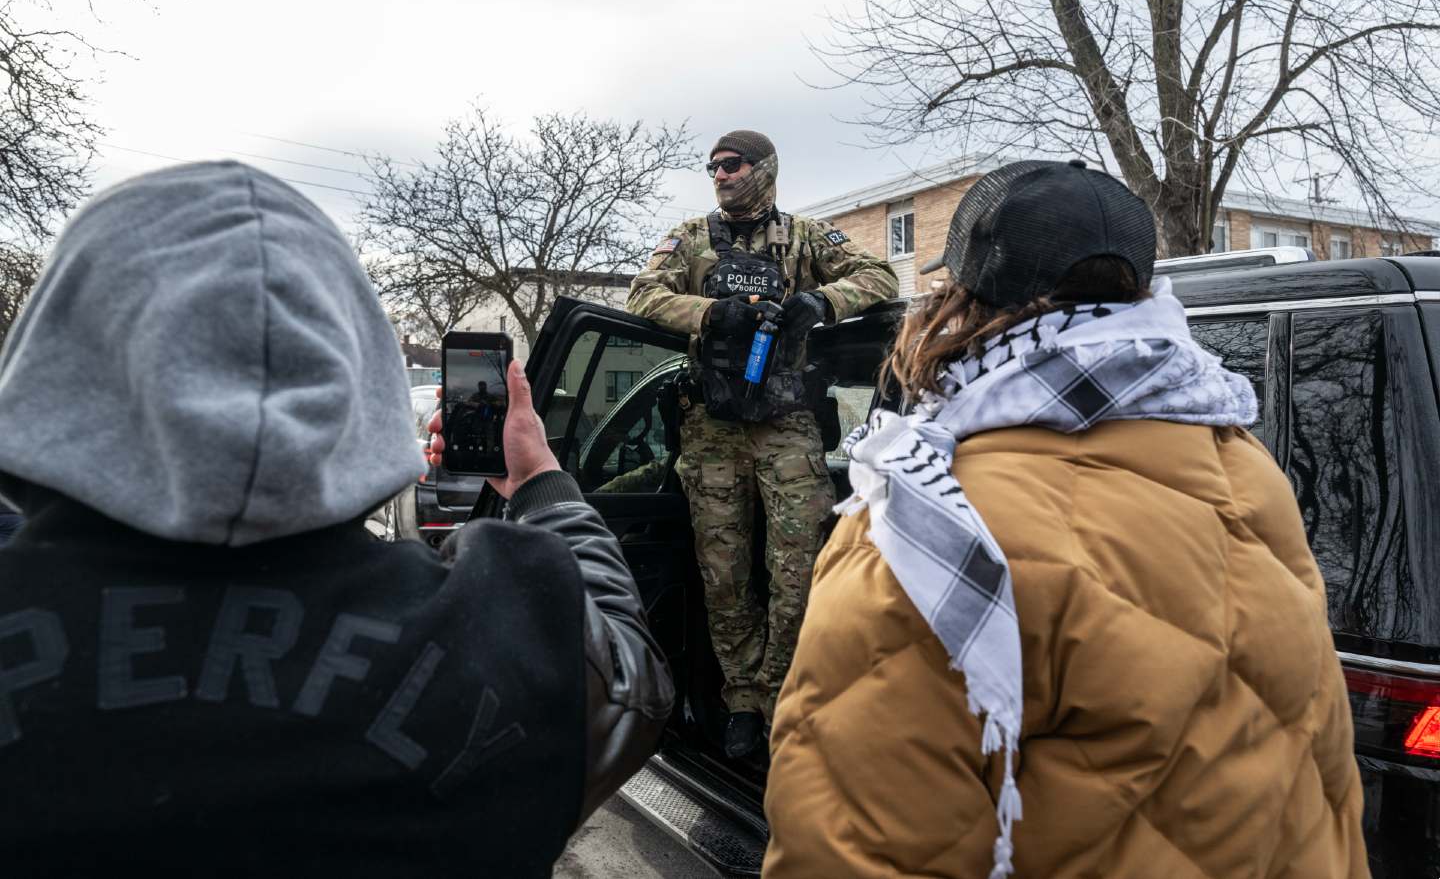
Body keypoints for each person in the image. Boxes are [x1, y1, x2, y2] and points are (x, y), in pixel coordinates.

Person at [0, 161, 673, 877]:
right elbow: (632, 685)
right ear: (363, 374)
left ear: (58, 364)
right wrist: (540, 480)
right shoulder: (507, 637)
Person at [763, 160, 1368, 878]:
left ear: (962, 305)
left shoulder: (923, 525)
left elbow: (850, 850)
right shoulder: (1245, 468)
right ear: (1140, 294)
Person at [626, 129, 898, 757]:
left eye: (732, 164)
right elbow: (643, 295)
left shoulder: (805, 237)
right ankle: (742, 698)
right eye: (713, 166)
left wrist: (819, 302)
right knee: (723, 577)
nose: (720, 175)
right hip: (712, 428)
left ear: (764, 168)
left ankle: (782, 695)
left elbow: (879, 275)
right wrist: (711, 314)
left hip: (786, 423)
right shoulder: (692, 238)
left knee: (798, 570)